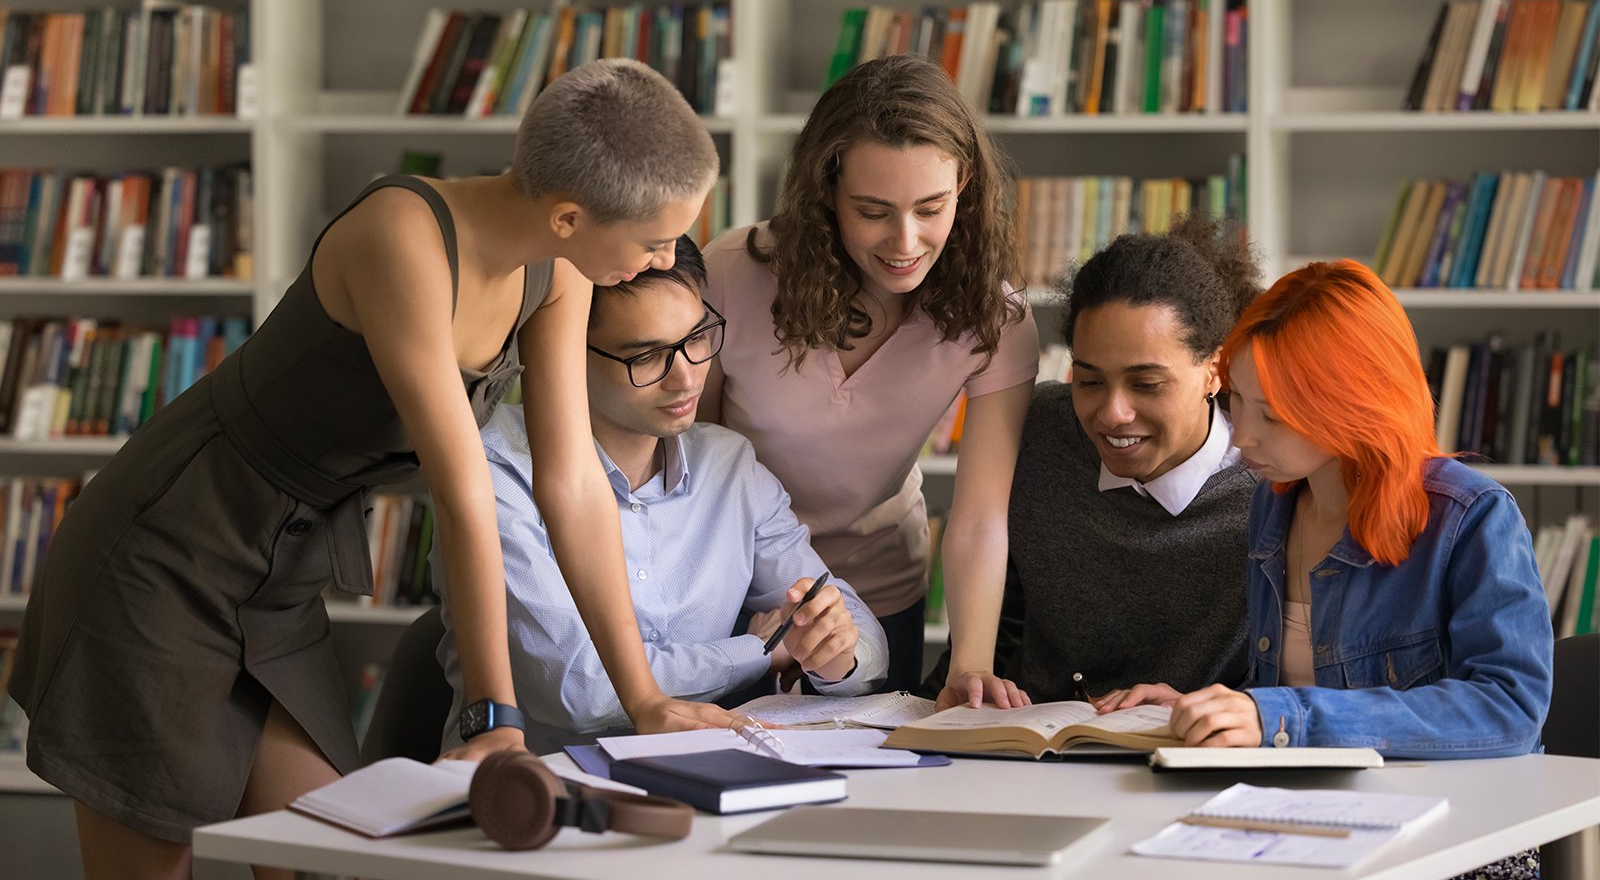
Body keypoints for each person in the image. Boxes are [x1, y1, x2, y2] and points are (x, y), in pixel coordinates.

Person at [7, 60, 737, 879]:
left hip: (275, 581)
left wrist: (644, 699)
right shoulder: (404, 236)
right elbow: (464, 494)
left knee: (323, 858)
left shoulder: (558, 269)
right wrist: (492, 717)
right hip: (161, 554)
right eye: (654, 241)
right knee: (154, 864)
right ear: (569, 216)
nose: (667, 256)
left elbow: (570, 484)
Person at [438, 236, 889, 754]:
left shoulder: (728, 466)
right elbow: (580, 691)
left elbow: (861, 632)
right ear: (559, 349)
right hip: (543, 790)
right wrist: (760, 651)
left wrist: (834, 651)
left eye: (697, 337)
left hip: (704, 777)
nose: (686, 376)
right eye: (647, 355)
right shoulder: (495, 469)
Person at [1104, 259, 1553, 760]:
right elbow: (1297, 695)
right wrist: (1220, 712)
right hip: (1318, 800)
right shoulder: (1274, 506)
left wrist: (1278, 717)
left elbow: (1510, 709)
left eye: (1272, 415)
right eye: (1238, 401)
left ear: (1350, 405)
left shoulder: (1472, 517)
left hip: (1452, 819)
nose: (1244, 434)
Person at [699, 55, 1039, 703]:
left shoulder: (996, 319)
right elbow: (694, 471)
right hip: (736, 598)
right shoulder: (730, 275)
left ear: (964, 185)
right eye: (873, 211)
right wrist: (744, 608)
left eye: (931, 208)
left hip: (882, 599)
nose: (906, 241)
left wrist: (970, 664)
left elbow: (979, 517)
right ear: (826, 190)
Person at [922, 215, 1262, 705]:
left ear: (1215, 371)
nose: (1112, 413)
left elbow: (1294, 681)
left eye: (1147, 384)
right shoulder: (1037, 432)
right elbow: (996, 628)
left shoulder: (1268, 481)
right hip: (1033, 750)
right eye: (1089, 380)